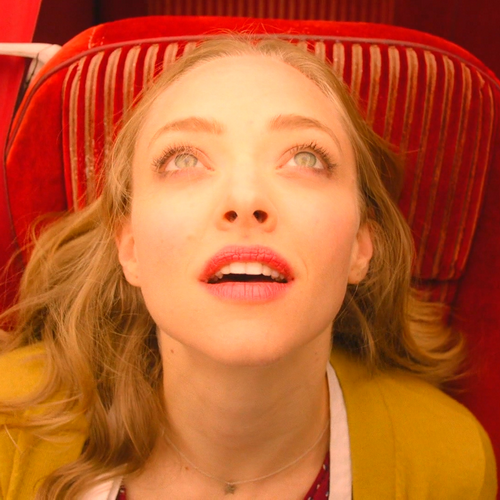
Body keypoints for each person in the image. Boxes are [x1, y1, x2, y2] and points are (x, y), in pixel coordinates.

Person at [0, 36, 497, 500]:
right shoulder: (7, 431)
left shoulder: (452, 463)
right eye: (183, 160)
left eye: (306, 158)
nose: (244, 199)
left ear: (360, 246)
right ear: (129, 247)